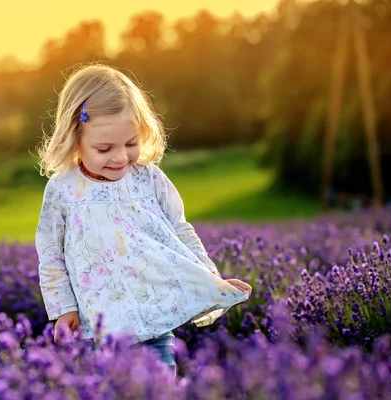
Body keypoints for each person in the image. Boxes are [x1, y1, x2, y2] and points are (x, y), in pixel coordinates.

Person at [35, 63, 252, 373]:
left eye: (131, 143)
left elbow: (179, 230)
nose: (121, 157)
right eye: (105, 148)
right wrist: (63, 309)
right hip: (99, 326)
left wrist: (210, 277)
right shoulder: (63, 190)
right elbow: (51, 254)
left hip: (153, 319)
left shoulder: (148, 179)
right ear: (75, 137)